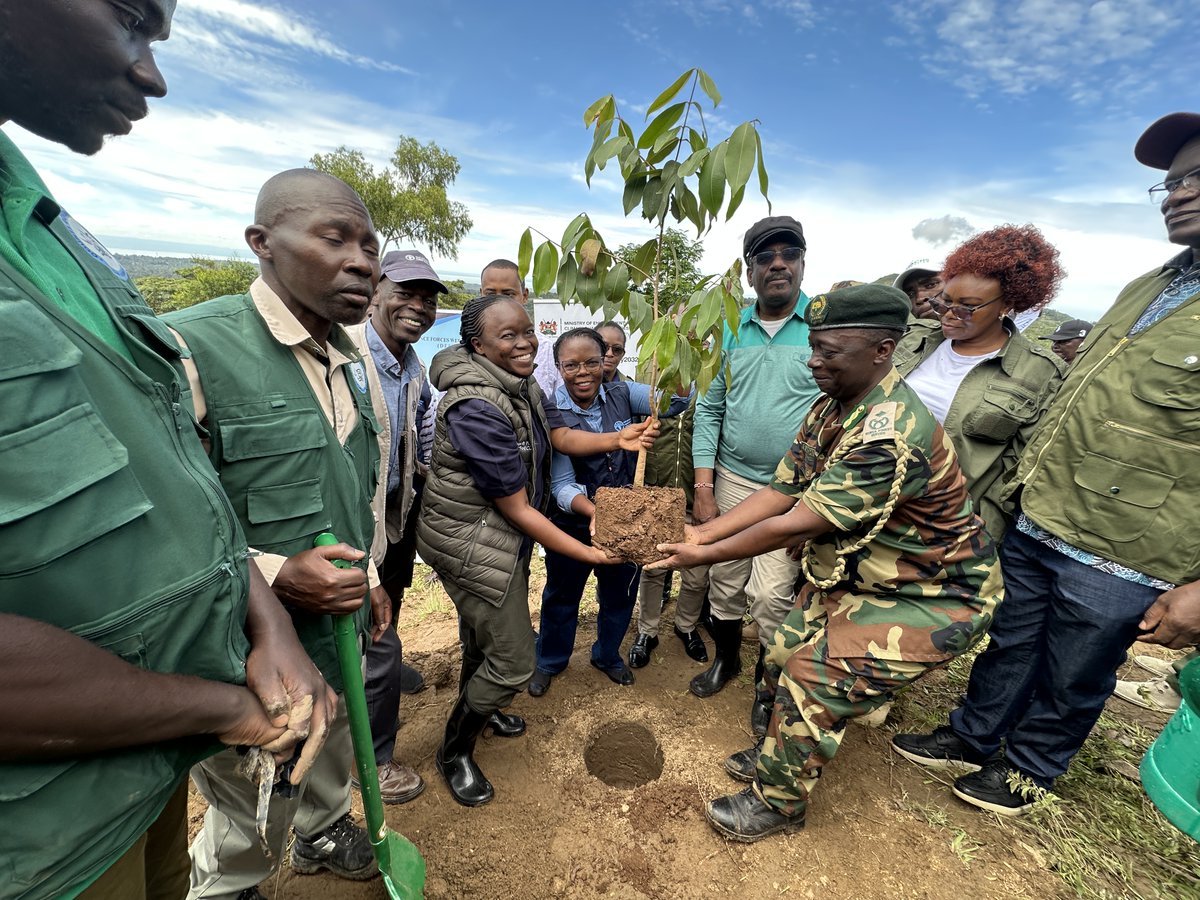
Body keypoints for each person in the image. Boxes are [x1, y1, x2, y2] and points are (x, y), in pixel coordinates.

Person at [0, 5, 332, 897]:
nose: (152, 73)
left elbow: (181, 474)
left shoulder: (49, 229)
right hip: (39, 837)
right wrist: (222, 705)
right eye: (130, 19)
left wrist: (263, 622)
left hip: (146, 771)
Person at [892, 111, 1200, 816]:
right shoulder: (1149, 288)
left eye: (1197, 178)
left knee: (1075, 669)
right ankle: (972, 737)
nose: (1179, 193)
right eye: (1173, 182)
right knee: (1012, 644)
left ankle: (1030, 770)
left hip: (1126, 543)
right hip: (1042, 514)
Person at [654, 284, 1002, 842]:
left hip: (936, 595)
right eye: (813, 348)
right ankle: (777, 750)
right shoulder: (831, 406)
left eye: (829, 352)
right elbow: (780, 490)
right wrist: (700, 533)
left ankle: (778, 803)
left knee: (812, 675)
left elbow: (796, 522)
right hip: (870, 574)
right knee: (782, 648)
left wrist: (702, 552)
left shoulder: (889, 432)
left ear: (883, 350)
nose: (813, 362)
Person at [168, 169, 385, 896]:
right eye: (336, 238)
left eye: (370, 245)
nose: (362, 260)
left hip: (337, 627)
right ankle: (229, 887)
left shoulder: (348, 362)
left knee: (334, 744)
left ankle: (323, 831)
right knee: (253, 797)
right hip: (242, 646)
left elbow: (344, 482)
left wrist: (374, 576)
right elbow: (168, 519)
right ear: (262, 243)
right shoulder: (192, 350)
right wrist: (274, 568)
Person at [416, 295, 657, 806]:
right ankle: (454, 751)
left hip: (499, 536)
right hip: (471, 541)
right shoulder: (476, 407)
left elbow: (563, 437)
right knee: (513, 659)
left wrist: (619, 440)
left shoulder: (519, 384)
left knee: (484, 639)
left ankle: (485, 708)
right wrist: (589, 554)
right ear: (477, 344)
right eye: (509, 335)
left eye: (528, 331)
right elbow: (521, 507)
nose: (525, 341)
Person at [691, 215, 822, 738]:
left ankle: (768, 687)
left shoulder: (823, 327)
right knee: (723, 582)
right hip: (732, 478)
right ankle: (727, 661)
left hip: (795, 490)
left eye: (788, 254)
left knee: (770, 596)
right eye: (765, 257)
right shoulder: (730, 327)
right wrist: (704, 487)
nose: (778, 264)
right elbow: (710, 409)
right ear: (749, 272)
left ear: (802, 263)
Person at [530, 328, 691, 695]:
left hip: (630, 526)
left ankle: (606, 655)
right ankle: (550, 660)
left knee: (620, 595)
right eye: (571, 365)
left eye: (591, 362)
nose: (582, 372)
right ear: (558, 367)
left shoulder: (623, 393)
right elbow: (562, 486)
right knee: (562, 595)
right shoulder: (552, 410)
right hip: (573, 523)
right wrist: (596, 513)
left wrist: (681, 353)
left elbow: (673, 403)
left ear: (606, 361)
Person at [894, 225, 1066, 541]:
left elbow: (1021, 469)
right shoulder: (914, 342)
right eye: (942, 302)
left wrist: (980, 528)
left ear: (1006, 305)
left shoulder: (1040, 373)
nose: (947, 315)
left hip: (946, 532)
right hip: (869, 508)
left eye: (966, 307)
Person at [351, 248, 444, 805]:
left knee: (391, 607)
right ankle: (377, 762)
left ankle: (379, 676)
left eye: (428, 298)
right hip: (353, 525)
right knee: (377, 639)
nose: (418, 306)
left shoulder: (410, 367)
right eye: (405, 292)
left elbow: (423, 434)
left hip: (396, 516)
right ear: (376, 293)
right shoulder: (352, 361)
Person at [629, 363, 710, 670]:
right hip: (657, 495)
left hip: (695, 495)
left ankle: (686, 625)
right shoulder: (646, 383)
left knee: (697, 573)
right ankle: (647, 631)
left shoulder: (708, 380)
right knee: (653, 569)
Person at [481, 257, 561, 400]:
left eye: (508, 294)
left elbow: (562, 407)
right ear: (481, 294)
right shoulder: (469, 348)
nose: (499, 302)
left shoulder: (547, 351)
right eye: (490, 294)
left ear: (524, 296)